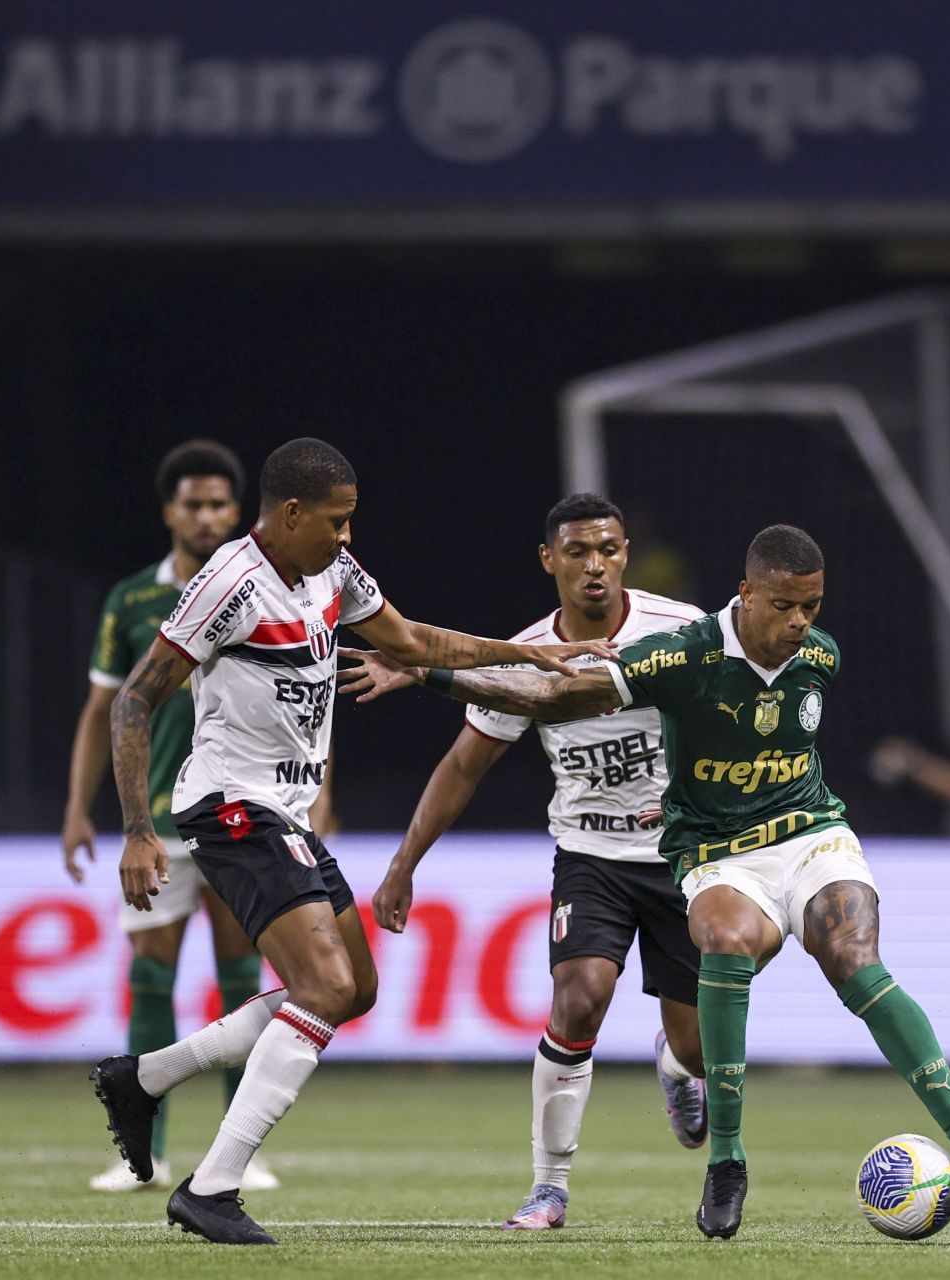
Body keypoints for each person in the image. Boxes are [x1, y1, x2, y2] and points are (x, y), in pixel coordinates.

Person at [343, 524, 950, 1240]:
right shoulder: (682, 653)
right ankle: (723, 1164)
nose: (799, 623)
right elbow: (548, 701)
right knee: (702, 952)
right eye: (785, 605)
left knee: (853, 956)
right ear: (746, 593)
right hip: (713, 855)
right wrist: (427, 672)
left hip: (812, 833)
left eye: (811, 607)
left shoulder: (820, 657)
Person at [86, 437, 615, 1246]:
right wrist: (135, 829)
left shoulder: (332, 571)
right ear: (290, 512)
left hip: (286, 813)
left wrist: (531, 654)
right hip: (231, 805)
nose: (347, 537)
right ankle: (212, 1188)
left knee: (353, 989)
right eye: (337, 521)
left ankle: (145, 1078)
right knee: (324, 991)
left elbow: (413, 646)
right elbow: (133, 702)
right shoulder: (228, 583)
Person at [370, 493, 709, 1231]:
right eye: (579, 552)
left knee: (697, 1044)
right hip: (590, 857)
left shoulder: (682, 630)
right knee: (579, 997)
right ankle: (548, 1188)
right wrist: (404, 863)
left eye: (609, 550)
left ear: (625, 555)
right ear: (549, 559)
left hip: (682, 860)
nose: (596, 566)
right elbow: (463, 768)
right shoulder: (525, 655)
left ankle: (680, 1065)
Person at [61, 440, 292, 1195]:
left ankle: (241, 1152)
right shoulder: (131, 601)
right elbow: (105, 709)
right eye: (193, 504)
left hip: (234, 816)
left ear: (238, 511)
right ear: (170, 512)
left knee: (240, 978)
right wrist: (77, 809)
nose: (206, 516)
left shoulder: (260, 590)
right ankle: (145, 1156)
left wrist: (319, 797)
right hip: (157, 824)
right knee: (152, 975)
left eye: (220, 504)